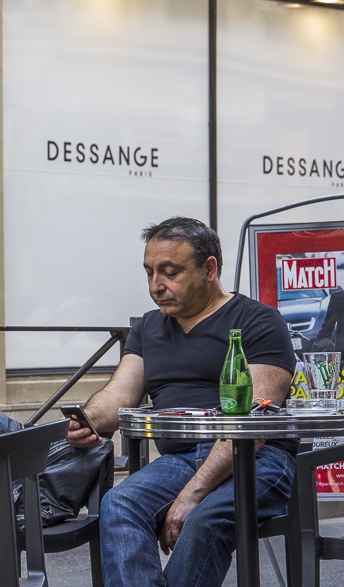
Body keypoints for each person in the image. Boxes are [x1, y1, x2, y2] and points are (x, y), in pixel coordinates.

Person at [67, 217, 296, 587]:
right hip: (178, 460)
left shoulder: (258, 320)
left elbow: (254, 423)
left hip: (255, 457)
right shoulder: (148, 327)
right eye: (149, 272)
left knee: (204, 518)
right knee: (119, 504)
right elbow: (118, 395)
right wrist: (88, 419)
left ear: (209, 268)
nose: (156, 286)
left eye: (170, 272)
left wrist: (192, 495)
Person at [312, 289, 344, 354]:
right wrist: (315, 353)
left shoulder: (338, 297)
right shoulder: (338, 297)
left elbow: (326, 330)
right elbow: (327, 329)